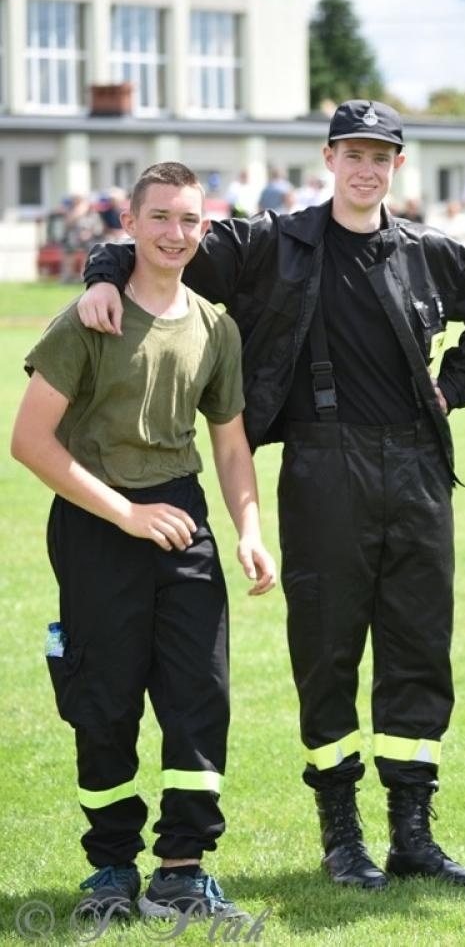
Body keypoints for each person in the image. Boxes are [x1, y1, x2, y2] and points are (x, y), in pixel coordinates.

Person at [78, 100, 465, 890]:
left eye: (380, 157)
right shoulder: (272, 244)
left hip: (419, 467)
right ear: (327, 158)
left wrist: (451, 390)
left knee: (419, 648)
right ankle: (342, 835)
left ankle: (414, 835)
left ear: (397, 167)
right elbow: (159, 243)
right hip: (322, 467)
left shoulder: (426, 251)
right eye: (352, 153)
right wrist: (102, 278)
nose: (366, 168)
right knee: (327, 650)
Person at [12, 162, 277, 922]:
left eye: (189, 220)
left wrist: (250, 533)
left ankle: (183, 873)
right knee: (104, 699)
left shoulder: (215, 327)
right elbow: (29, 442)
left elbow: (231, 445)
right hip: (98, 525)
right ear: (129, 224)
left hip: (182, 519)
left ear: (205, 227)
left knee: (201, 695)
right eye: (159, 217)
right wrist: (124, 514)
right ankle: (110, 873)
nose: (175, 233)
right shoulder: (87, 319)